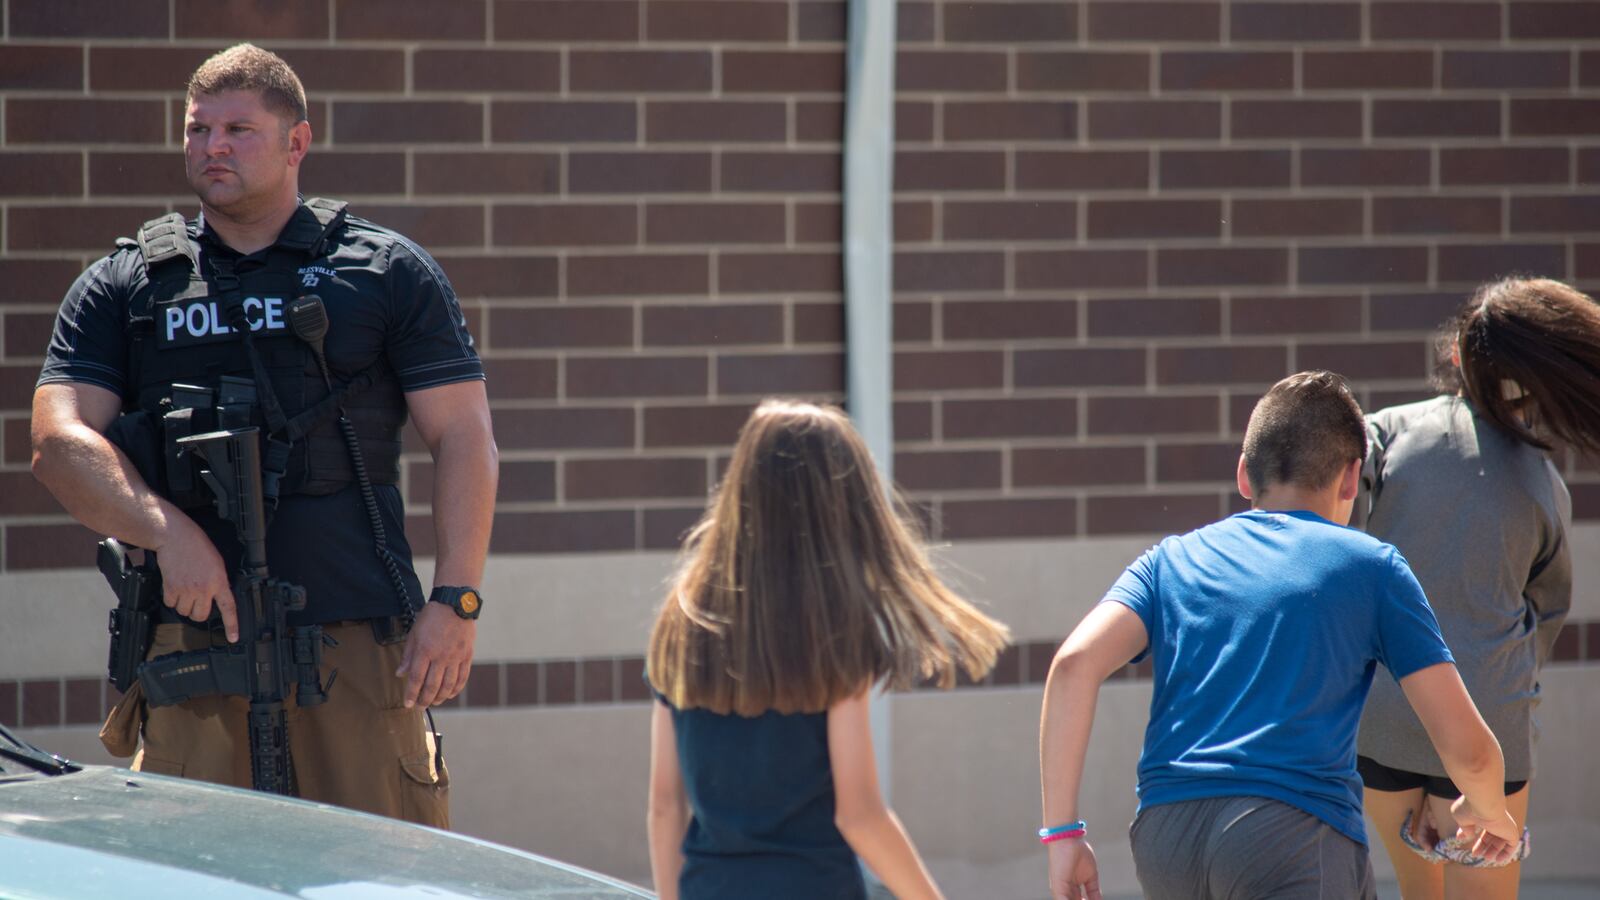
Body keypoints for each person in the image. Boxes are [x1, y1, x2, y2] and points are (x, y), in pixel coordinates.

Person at [29, 44, 497, 827]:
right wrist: (164, 529)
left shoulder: (382, 271)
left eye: (238, 129)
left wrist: (457, 597)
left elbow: (464, 437)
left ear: (296, 143)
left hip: (352, 645)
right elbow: (57, 440)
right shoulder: (127, 286)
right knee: (192, 874)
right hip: (194, 654)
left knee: (381, 874)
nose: (212, 147)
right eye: (197, 129)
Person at [1038, 371, 1522, 900]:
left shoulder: (1169, 560)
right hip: (1292, 834)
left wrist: (1063, 835)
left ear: (1245, 475)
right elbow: (1470, 753)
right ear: (1350, 478)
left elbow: (1072, 666)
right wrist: (1488, 810)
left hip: (1166, 836)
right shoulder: (1372, 567)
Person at [644, 399, 1011, 900]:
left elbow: (666, 803)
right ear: (839, 509)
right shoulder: (836, 634)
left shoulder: (682, 621)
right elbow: (860, 815)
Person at [1356, 277, 1594, 899]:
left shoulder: (1386, 434)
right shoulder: (1542, 482)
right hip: (1491, 728)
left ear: (1456, 357)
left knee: (1419, 892)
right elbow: (1547, 610)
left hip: (1385, 717)